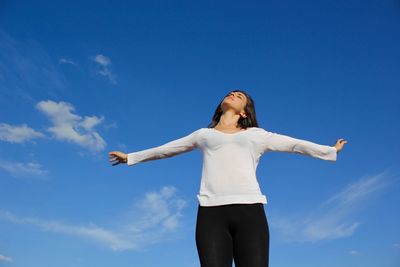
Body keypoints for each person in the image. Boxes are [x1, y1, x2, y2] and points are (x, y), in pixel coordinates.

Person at [108, 90, 347, 267]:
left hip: (250, 211)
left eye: (239, 95)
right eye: (231, 93)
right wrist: (131, 157)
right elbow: (169, 148)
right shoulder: (204, 134)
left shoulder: (257, 135)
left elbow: (294, 144)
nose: (233, 94)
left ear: (244, 112)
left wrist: (328, 151)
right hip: (211, 213)